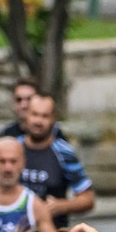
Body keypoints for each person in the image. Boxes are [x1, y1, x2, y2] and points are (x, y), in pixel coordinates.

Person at [15, 93, 96, 221]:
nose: (38, 121)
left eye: (45, 116)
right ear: (26, 115)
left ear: (54, 118)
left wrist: (62, 206)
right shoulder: (13, 148)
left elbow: (88, 198)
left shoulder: (64, 153)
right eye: (34, 114)